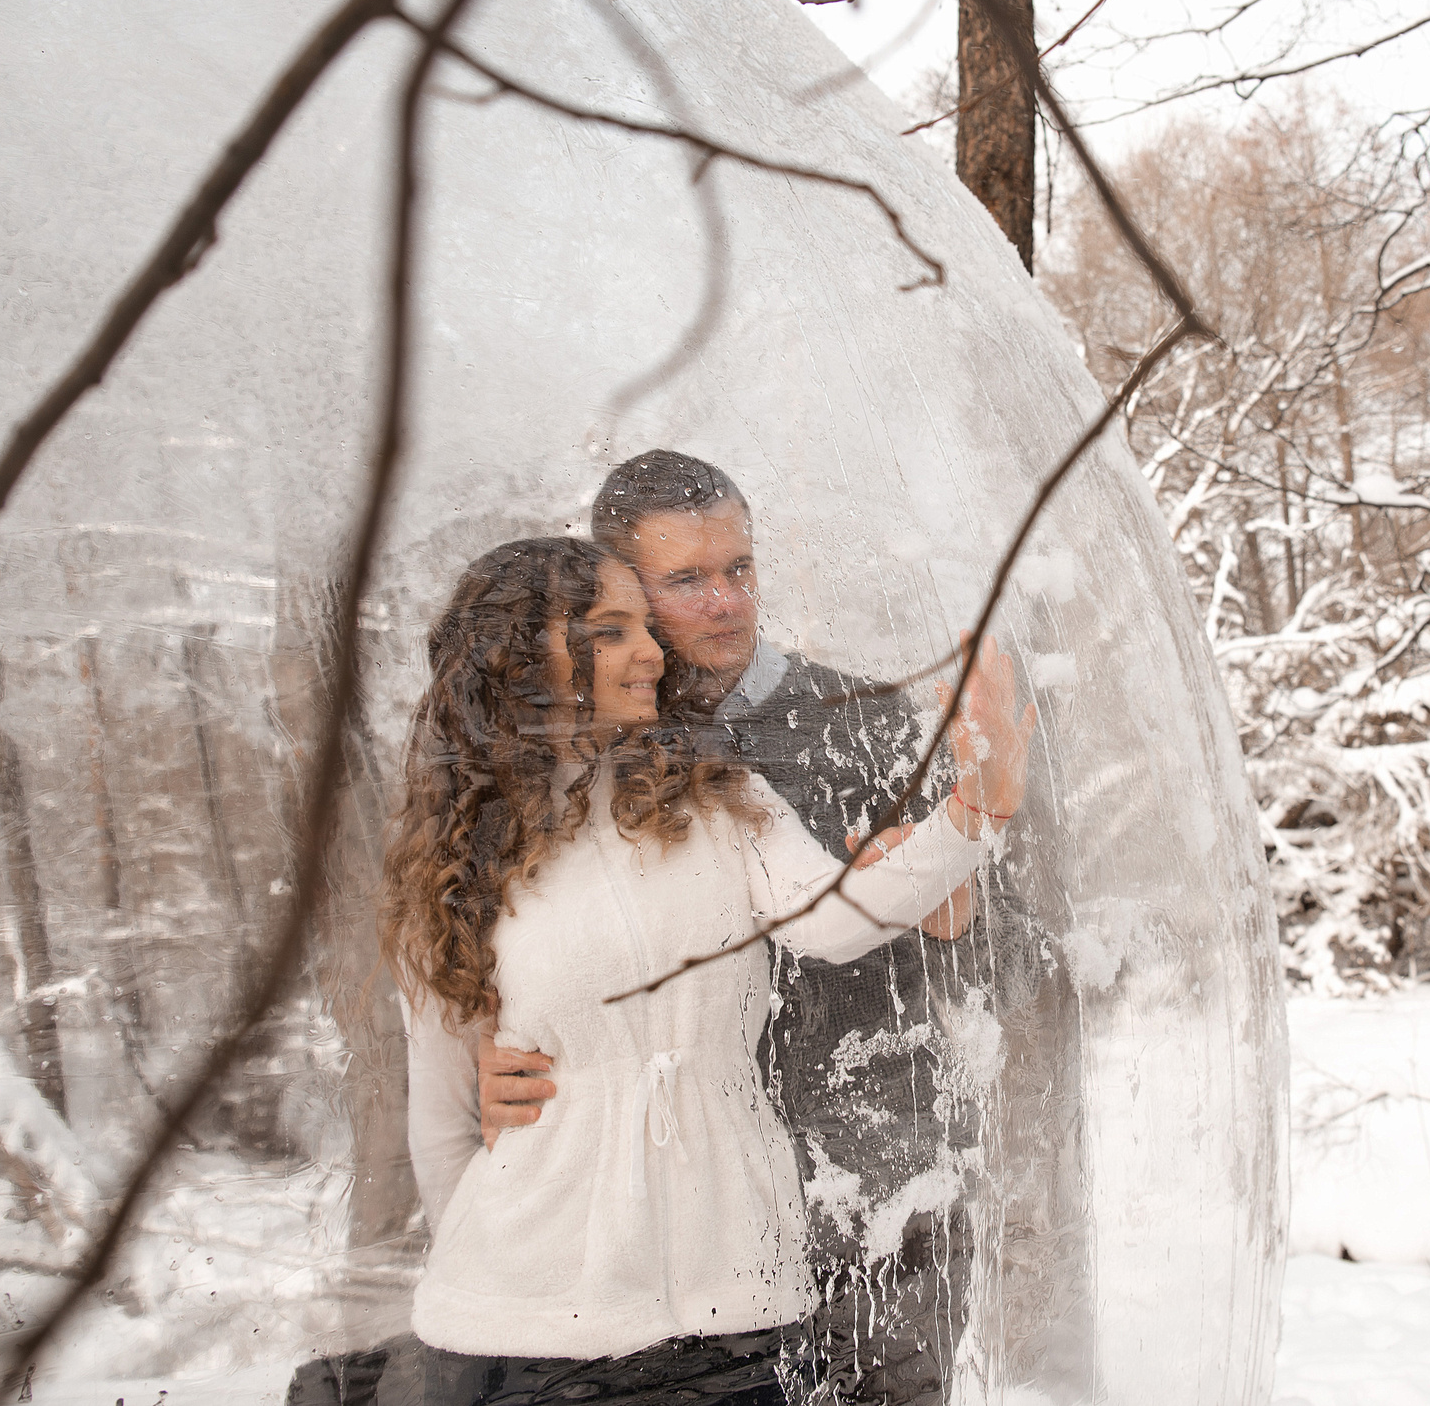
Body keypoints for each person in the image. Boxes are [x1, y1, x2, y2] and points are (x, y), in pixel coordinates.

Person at [377, 536, 1029, 1406]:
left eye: (644, 625)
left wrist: (978, 802)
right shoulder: (459, 858)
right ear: (521, 657)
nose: (650, 652)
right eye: (609, 632)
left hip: (736, 1310)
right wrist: (493, 1272)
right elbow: (442, 1124)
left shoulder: (718, 796)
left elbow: (836, 918)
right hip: (517, 1329)